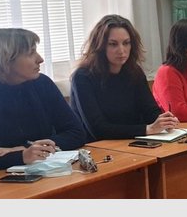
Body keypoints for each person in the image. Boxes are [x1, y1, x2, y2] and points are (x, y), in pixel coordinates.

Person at [0, 28, 86, 172]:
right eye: (31, 53)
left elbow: (76, 133)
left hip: (44, 172)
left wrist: (27, 149)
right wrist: (21, 155)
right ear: (6, 60)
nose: (40, 59)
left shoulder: (42, 83)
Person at [69, 14, 179, 142]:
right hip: (98, 146)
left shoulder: (134, 71)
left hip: (134, 141)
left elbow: (150, 110)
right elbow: (97, 129)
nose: (121, 50)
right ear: (100, 46)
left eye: (126, 43)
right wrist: (147, 129)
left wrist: (165, 121)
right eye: (113, 44)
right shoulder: (82, 77)